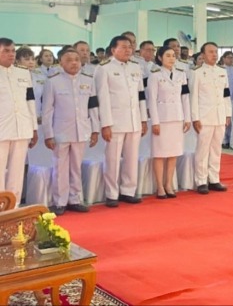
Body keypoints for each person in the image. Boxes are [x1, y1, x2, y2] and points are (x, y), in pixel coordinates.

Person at [42, 48, 99, 214]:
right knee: (60, 167)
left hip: (81, 129)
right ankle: (59, 201)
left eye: (77, 59)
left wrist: (95, 130)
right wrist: (48, 134)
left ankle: (75, 199)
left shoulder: (88, 80)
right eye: (69, 60)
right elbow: (47, 111)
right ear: (60, 63)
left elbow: (93, 106)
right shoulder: (53, 81)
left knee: (76, 167)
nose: (74, 63)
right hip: (60, 131)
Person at [94, 35, 148, 207]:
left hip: (134, 120)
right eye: (123, 47)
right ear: (113, 50)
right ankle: (111, 194)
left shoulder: (135, 67)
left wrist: (143, 119)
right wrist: (106, 124)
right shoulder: (104, 68)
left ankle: (128, 191)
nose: (128, 50)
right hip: (115, 121)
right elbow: (102, 98)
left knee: (132, 158)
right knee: (113, 159)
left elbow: (141, 95)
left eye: (130, 47)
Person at [147, 46, 191, 199]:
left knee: (173, 153)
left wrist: (187, 118)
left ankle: (168, 184)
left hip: (177, 117)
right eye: (168, 55)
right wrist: (155, 122)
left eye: (173, 55)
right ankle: (160, 186)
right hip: (162, 118)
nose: (172, 58)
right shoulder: (155, 75)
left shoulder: (181, 74)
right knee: (159, 153)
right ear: (160, 58)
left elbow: (185, 97)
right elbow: (151, 100)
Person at [0, 38, 38, 207]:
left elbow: (30, 101)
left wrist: (34, 128)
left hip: (22, 127)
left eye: (13, 51)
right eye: (6, 51)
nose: (11, 54)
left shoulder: (23, 73)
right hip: (2, 129)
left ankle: (13, 208)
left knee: (17, 171)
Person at [190, 42, 231, 194]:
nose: (214, 55)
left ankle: (214, 179)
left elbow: (226, 94)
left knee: (216, 149)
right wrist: (195, 118)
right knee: (202, 150)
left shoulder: (222, 71)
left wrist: (228, 113)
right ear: (203, 54)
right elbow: (193, 97)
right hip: (204, 116)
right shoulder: (197, 72)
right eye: (210, 52)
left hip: (219, 115)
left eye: (215, 51)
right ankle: (201, 181)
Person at [16, 47, 46, 125]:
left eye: (33, 59)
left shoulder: (41, 77)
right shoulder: (13, 78)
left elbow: (45, 99)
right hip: (20, 119)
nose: (31, 62)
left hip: (38, 118)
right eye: (27, 59)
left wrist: (42, 115)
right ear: (17, 61)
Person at [221, 51, 233, 148]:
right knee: (224, 118)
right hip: (223, 98)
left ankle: (231, 139)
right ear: (224, 58)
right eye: (228, 57)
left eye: (232, 57)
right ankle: (224, 139)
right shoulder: (220, 69)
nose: (231, 59)